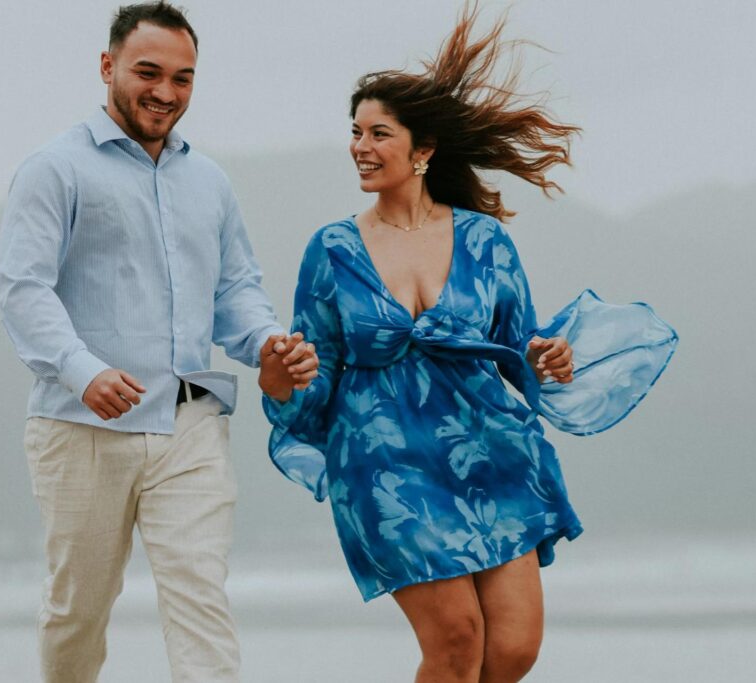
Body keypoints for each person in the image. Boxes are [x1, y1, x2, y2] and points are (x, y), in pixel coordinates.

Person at [264, 4, 677, 682]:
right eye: (355, 132)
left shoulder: (485, 240)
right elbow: (315, 382)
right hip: (386, 467)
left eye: (378, 133)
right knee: (456, 643)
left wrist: (552, 357)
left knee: (511, 650)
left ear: (422, 150)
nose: (360, 146)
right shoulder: (332, 249)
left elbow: (526, 347)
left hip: (490, 454)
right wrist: (280, 380)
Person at [0, 3, 318, 681]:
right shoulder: (53, 169)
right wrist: (84, 370)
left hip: (189, 421)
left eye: (183, 78)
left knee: (202, 598)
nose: (166, 92)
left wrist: (266, 342)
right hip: (78, 424)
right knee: (76, 613)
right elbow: (23, 290)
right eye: (148, 72)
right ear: (108, 66)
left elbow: (236, 290)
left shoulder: (210, 182)